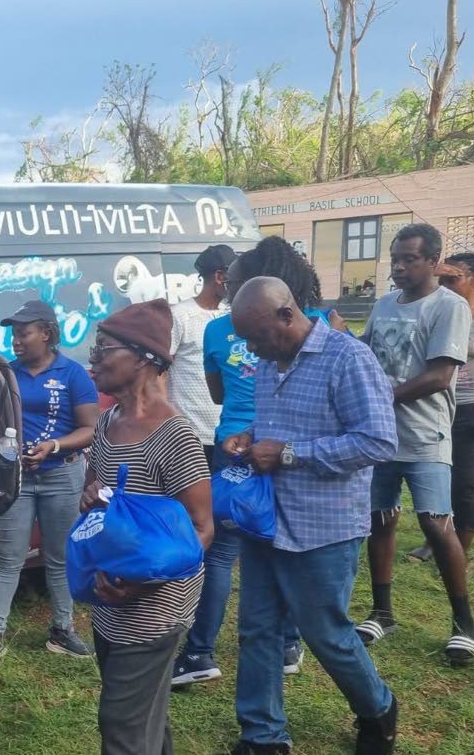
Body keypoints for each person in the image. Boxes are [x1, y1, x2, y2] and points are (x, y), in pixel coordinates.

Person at [223, 276, 397, 755]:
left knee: (327, 635)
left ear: (288, 313)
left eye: (258, 335)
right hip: (265, 521)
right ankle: (263, 735)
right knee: (257, 628)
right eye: (247, 339)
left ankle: (378, 709)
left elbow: (379, 440)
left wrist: (289, 454)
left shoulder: (348, 358)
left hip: (324, 527)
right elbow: (280, 425)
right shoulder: (266, 362)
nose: (253, 347)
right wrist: (249, 435)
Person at [175, 236, 320, 687]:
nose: (229, 288)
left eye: (233, 283)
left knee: (220, 552)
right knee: (285, 539)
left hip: (233, 447)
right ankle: (289, 643)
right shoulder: (310, 322)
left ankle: (200, 652)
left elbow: (217, 394)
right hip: (283, 448)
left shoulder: (217, 331)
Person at [79, 299, 213, 755]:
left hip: (155, 606)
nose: (92, 359)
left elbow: (200, 529)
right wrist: (90, 499)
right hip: (110, 596)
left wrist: (140, 585)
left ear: (142, 357)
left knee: (122, 722)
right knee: (145, 714)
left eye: (103, 350)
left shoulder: (174, 437)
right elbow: (95, 493)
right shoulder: (108, 422)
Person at [357, 223, 474, 667]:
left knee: (434, 523)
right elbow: (363, 353)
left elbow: (440, 375)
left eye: (410, 259)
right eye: (395, 259)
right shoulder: (385, 304)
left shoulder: (449, 307)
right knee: (380, 520)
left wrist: (378, 398)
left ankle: (464, 624)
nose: (400, 267)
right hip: (380, 437)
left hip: (426, 435)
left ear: (433, 261)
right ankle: (381, 613)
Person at [0, 300, 99, 669]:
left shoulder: (73, 374)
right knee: (7, 559)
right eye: (13, 334)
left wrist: (54, 447)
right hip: (17, 479)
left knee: (58, 558)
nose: (16, 341)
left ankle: (62, 630)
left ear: (46, 333)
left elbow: (89, 430)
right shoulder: (6, 374)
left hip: (62, 475)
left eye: (23, 333)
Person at [407, 255, 474, 559]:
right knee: (434, 481)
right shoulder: (434, 309)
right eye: (442, 279)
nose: (445, 284)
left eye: (452, 278)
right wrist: (435, 270)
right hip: (435, 409)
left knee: (467, 486)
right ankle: (435, 542)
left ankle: (458, 553)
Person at [168, 244, 236, 456]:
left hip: (227, 431)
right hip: (189, 434)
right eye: (234, 276)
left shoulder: (233, 315)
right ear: (219, 276)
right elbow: (158, 372)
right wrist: (167, 421)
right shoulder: (180, 315)